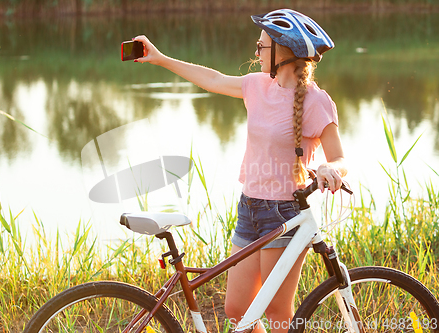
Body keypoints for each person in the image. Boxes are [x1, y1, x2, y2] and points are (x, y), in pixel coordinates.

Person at [133, 8, 347, 333]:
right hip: (250, 207)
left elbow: (340, 160)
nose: (256, 52)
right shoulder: (256, 86)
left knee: (276, 312)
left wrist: (328, 169)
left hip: (285, 213)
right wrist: (161, 58)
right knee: (237, 311)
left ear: (283, 52)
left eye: (261, 47)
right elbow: (213, 80)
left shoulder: (317, 102)